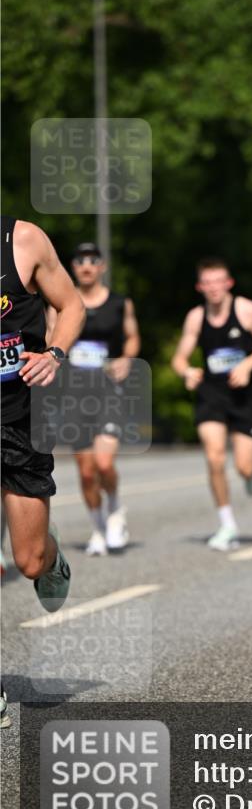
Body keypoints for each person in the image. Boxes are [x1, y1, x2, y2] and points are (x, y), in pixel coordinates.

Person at [1, 216, 85, 727]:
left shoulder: (24, 240)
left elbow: (72, 305)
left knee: (27, 561)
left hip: (21, 417)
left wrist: (55, 353)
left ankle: (50, 556)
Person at [172, 258, 252, 550]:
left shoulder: (246, 310)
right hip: (212, 395)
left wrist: (248, 365)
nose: (213, 288)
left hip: (244, 396)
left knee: (243, 467)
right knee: (215, 457)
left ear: (229, 282)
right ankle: (227, 524)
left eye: (218, 281)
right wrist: (187, 371)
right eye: (207, 283)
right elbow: (179, 357)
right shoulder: (196, 317)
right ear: (200, 287)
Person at [47, 242, 141, 556]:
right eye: (80, 260)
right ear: (73, 267)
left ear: (101, 266)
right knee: (86, 472)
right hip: (73, 395)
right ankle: (98, 529)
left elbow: (132, 338)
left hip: (108, 392)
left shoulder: (119, 303)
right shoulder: (60, 302)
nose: (86, 265)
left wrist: (126, 359)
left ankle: (115, 509)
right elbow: (51, 338)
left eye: (93, 260)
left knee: (104, 463)